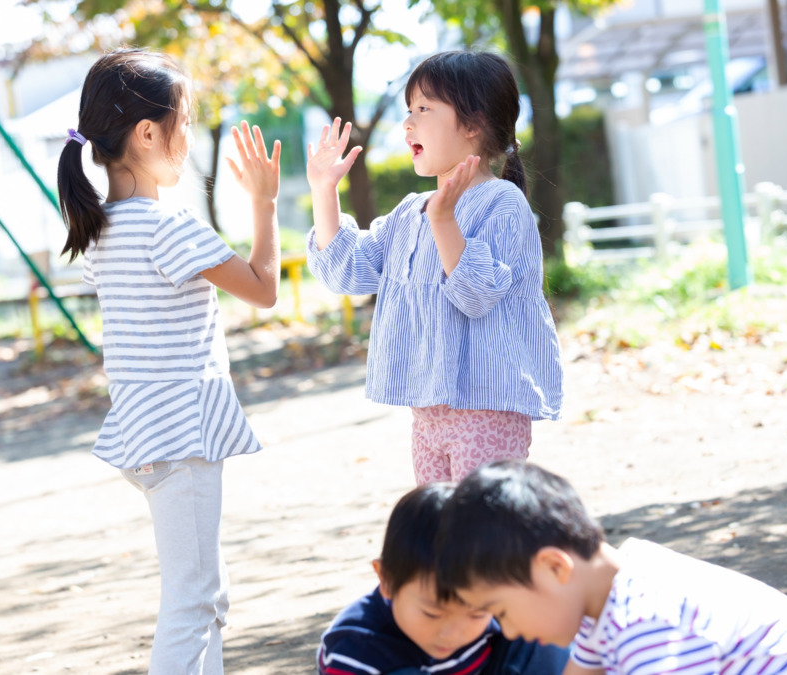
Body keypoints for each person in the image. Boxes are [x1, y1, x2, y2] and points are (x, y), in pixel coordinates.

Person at [57, 47, 281, 674]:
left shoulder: (101, 228)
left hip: (145, 433)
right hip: (180, 438)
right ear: (149, 132)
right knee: (192, 600)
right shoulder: (168, 227)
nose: (189, 137)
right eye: (186, 121)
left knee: (207, 594)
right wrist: (263, 201)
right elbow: (264, 289)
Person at [304, 50, 563, 485]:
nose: (408, 123)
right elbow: (347, 272)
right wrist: (323, 191)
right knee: (442, 535)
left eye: (424, 109)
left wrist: (444, 221)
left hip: (488, 408)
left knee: (482, 534)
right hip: (427, 413)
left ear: (473, 124)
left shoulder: (503, 203)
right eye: (409, 109)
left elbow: (476, 294)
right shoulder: (411, 211)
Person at [434, 461, 787, 675]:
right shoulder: (606, 593)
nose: (506, 631)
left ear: (553, 567)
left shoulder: (647, 619)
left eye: (502, 610)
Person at [317, 483, 569, 675]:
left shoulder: (494, 606)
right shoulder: (356, 649)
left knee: (539, 637)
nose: (452, 633)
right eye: (432, 614)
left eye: (476, 614)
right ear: (388, 580)